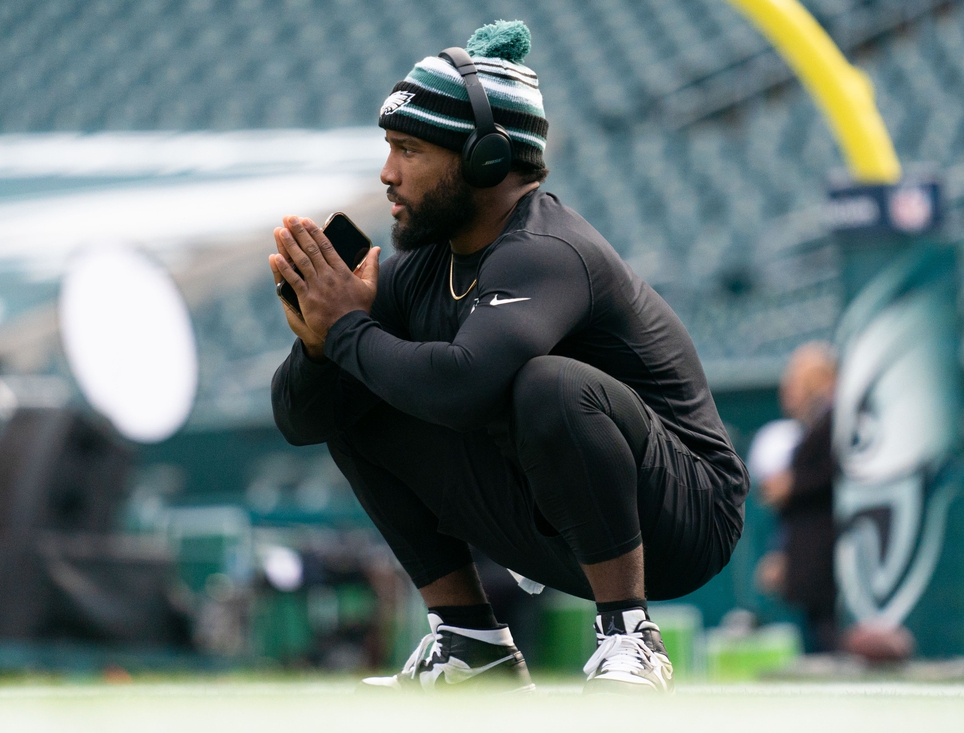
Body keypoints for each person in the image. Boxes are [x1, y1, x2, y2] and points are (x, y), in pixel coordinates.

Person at [269, 20, 748, 694]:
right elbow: (300, 420)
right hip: (549, 516)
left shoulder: (546, 250)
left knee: (548, 385)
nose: (387, 172)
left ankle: (630, 639)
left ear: (486, 159)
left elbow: (465, 385)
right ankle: (470, 641)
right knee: (359, 389)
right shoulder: (421, 266)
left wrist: (348, 327)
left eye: (409, 149)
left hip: (682, 519)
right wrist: (320, 348)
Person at [756, 342, 838, 653]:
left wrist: (792, 484)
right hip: (809, 562)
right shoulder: (811, 427)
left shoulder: (837, 420)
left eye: (799, 380)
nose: (790, 389)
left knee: (827, 637)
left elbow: (836, 471)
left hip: (828, 561)